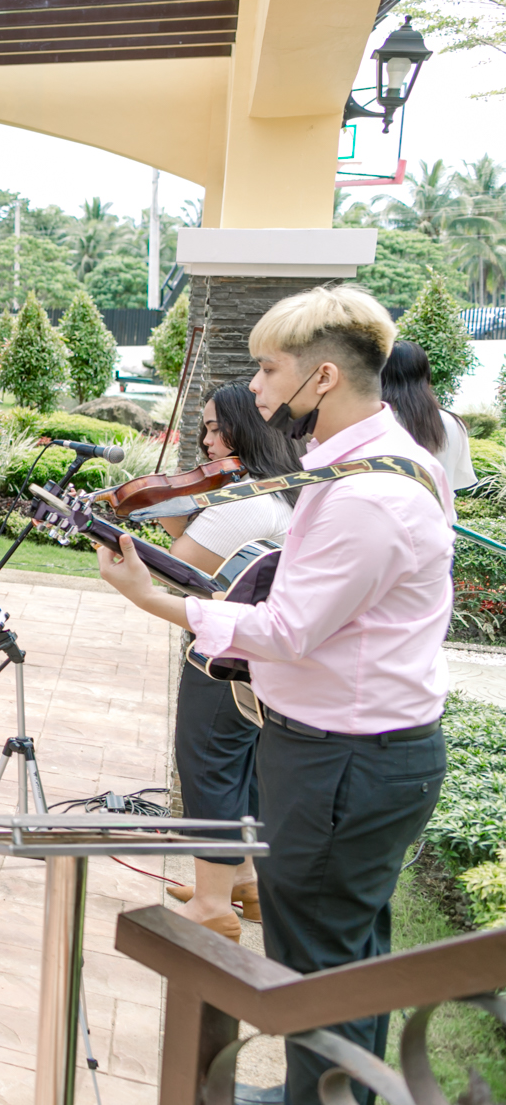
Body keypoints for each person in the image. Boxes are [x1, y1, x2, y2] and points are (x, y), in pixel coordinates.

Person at [92, 285, 450, 1105]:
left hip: (343, 763)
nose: (253, 387)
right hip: (361, 753)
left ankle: (316, 1098)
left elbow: (287, 629)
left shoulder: (367, 496)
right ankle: (329, 1092)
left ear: (322, 377)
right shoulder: (391, 462)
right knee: (348, 955)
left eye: (267, 367)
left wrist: (156, 600)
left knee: (315, 964)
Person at [152, 381, 300, 941]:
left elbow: (179, 570)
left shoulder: (242, 500)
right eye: (206, 428)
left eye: (217, 428)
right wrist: (177, 508)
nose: (208, 441)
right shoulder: (282, 489)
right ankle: (244, 883)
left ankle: (213, 904)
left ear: (247, 429)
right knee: (245, 767)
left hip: (224, 656)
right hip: (264, 656)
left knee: (207, 763)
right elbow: (213, 564)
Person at [381, 340, 477, 491]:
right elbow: (456, 480)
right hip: (440, 512)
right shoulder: (451, 422)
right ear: (425, 373)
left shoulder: (370, 423)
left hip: (385, 512)